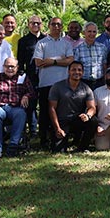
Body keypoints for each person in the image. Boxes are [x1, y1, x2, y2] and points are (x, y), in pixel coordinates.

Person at [0, 56, 35, 158]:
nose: (10, 69)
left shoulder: (22, 78)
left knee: (21, 113)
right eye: (7, 66)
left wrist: (26, 96)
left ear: (17, 67)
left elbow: (31, 92)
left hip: (15, 107)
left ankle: (13, 146)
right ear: (3, 67)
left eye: (12, 67)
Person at [33, 17, 75, 147]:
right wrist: (60, 59)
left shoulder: (66, 44)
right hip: (46, 83)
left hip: (63, 84)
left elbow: (70, 61)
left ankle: (59, 140)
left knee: (61, 113)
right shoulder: (41, 43)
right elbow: (39, 62)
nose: (56, 27)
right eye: (54, 24)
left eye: (59, 25)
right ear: (49, 25)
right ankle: (43, 141)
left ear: (62, 27)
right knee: (45, 113)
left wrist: (52, 61)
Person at [49, 61, 97, 153]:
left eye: (79, 70)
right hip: (62, 122)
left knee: (93, 121)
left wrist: (88, 115)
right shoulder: (57, 87)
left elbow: (92, 107)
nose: (76, 72)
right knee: (58, 151)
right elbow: (52, 108)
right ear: (68, 71)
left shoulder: (86, 88)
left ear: (82, 73)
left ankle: (82, 148)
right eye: (73, 70)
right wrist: (57, 128)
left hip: (77, 120)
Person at [17, 14, 45, 137]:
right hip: (30, 76)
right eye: (33, 23)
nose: (35, 25)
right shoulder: (23, 41)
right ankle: (33, 130)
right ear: (28, 25)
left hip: (45, 75)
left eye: (38, 23)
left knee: (45, 103)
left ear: (41, 25)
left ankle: (45, 130)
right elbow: (20, 60)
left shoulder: (46, 39)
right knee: (31, 104)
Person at [73, 22, 108, 87]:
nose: (92, 34)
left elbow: (104, 65)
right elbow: (75, 67)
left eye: (94, 32)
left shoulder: (102, 48)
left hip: (99, 82)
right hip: (83, 83)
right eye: (89, 31)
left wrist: (105, 81)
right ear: (84, 33)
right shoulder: (78, 49)